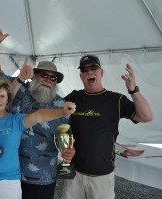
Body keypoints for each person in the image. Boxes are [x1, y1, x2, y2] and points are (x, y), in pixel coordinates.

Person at [0, 29, 75, 199]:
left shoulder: (62, 106)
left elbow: (67, 139)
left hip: (41, 179)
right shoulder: (18, 89)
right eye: (44, 75)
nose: (48, 80)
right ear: (34, 76)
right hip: (8, 173)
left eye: (53, 78)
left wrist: (70, 151)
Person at [62, 54, 154, 199]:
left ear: (101, 72)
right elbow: (55, 120)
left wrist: (133, 90)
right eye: (85, 69)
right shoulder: (73, 97)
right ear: (81, 76)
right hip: (75, 173)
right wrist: (65, 145)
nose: (90, 71)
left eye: (94, 67)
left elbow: (146, 117)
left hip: (102, 176)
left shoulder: (116, 100)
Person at [0, 77, 76, 199]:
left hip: (8, 183)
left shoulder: (16, 120)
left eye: (2, 96)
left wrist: (62, 113)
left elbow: (39, 116)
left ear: (8, 98)